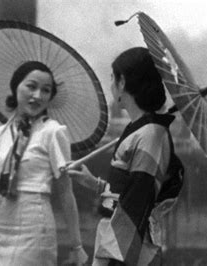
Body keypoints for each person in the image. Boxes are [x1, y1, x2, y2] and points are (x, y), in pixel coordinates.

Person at [0, 61, 88, 266]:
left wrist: (77, 246)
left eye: (46, 90)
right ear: (16, 87)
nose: (38, 95)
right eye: (31, 86)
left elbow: (66, 192)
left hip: (35, 224)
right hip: (3, 226)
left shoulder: (53, 131)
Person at [67, 47, 184, 266]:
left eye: (113, 79)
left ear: (122, 83)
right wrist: (93, 183)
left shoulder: (150, 135)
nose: (111, 85)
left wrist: (107, 261)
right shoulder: (142, 129)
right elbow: (126, 190)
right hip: (118, 239)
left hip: (127, 249)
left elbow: (136, 203)